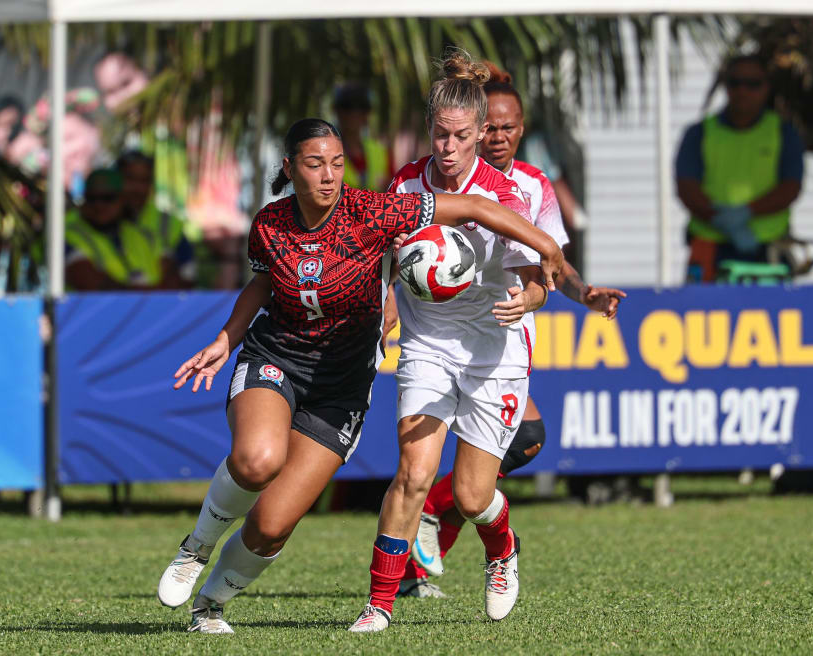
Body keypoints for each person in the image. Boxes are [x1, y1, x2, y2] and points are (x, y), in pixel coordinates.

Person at [155, 118, 562, 635]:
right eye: (315, 164)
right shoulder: (270, 223)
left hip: (343, 386)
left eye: (337, 164)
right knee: (259, 460)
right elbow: (262, 284)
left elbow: (477, 208)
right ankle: (195, 549)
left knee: (272, 526)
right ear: (289, 168)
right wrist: (225, 338)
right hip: (277, 357)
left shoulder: (373, 211)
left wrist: (546, 246)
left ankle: (208, 606)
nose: (329, 176)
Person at [396, 64, 626, 600]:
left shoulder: (530, 186)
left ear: (520, 130)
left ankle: (435, 528)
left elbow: (551, 264)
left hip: (500, 335)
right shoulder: (423, 178)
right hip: (436, 338)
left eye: (509, 128)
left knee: (513, 449)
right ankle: (407, 568)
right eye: (492, 127)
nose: (499, 136)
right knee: (421, 467)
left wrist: (584, 294)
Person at [347, 49, 558, 634]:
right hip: (428, 343)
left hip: (494, 348)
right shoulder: (406, 184)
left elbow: (538, 280)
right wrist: (385, 306)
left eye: (461, 136)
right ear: (429, 129)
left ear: (480, 134)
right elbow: (390, 263)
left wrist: (528, 301)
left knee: (470, 496)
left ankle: (502, 547)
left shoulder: (505, 194)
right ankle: (379, 605)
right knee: (413, 473)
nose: (448, 146)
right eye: (440, 134)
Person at [676, 53, 805, 283]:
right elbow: (687, 188)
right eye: (735, 83)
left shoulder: (783, 133)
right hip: (710, 248)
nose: (742, 91)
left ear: (766, 87)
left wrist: (747, 212)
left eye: (753, 84)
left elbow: (791, 187)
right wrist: (720, 219)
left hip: (768, 250)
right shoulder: (699, 133)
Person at [64, 168, 164, 291]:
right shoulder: (69, 235)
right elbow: (88, 281)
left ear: (123, 199)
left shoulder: (144, 236)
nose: (99, 205)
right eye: (92, 198)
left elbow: (173, 280)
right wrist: (147, 295)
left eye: (108, 198)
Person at [116, 150, 194, 288]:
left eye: (144, 180)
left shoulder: (169, 222)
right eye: (130, 179)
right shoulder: (102, 219)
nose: (137, 188)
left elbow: (188, 276)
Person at [333, 83, 393, 191]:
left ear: (367, 114)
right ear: (337, 112)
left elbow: (395, 191)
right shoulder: (325, 152)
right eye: (347, 107)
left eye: (361, 108)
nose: (354, 114)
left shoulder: (381, 152)